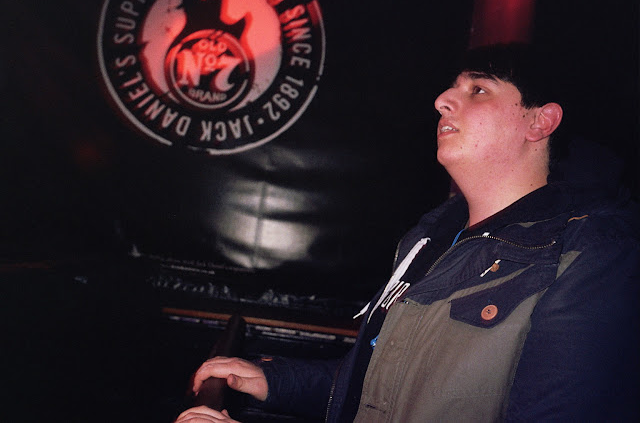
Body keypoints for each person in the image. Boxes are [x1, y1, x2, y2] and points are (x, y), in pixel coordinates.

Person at [175, 44, 640, 422]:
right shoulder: (430, 239)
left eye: (478, 89)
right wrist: (277, 381)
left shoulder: (592, 254)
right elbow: (385, 391)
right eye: (453, 88)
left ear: (540, 122)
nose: (443, 100)